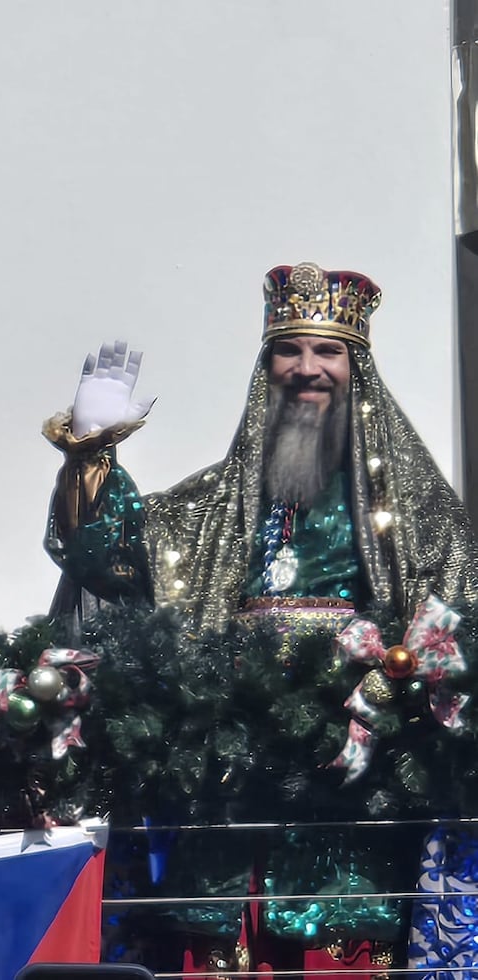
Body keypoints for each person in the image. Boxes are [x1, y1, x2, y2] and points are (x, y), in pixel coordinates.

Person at [43, 262, 478, 978]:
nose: (307, 369)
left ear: (356, 369)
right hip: (222, 811)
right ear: (265, 366)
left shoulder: (417, 515)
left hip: (351, 812)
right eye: (289, 349)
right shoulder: (213, 510)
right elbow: (109, 560)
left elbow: (456, 631)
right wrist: (92, 453)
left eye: (328, 351)